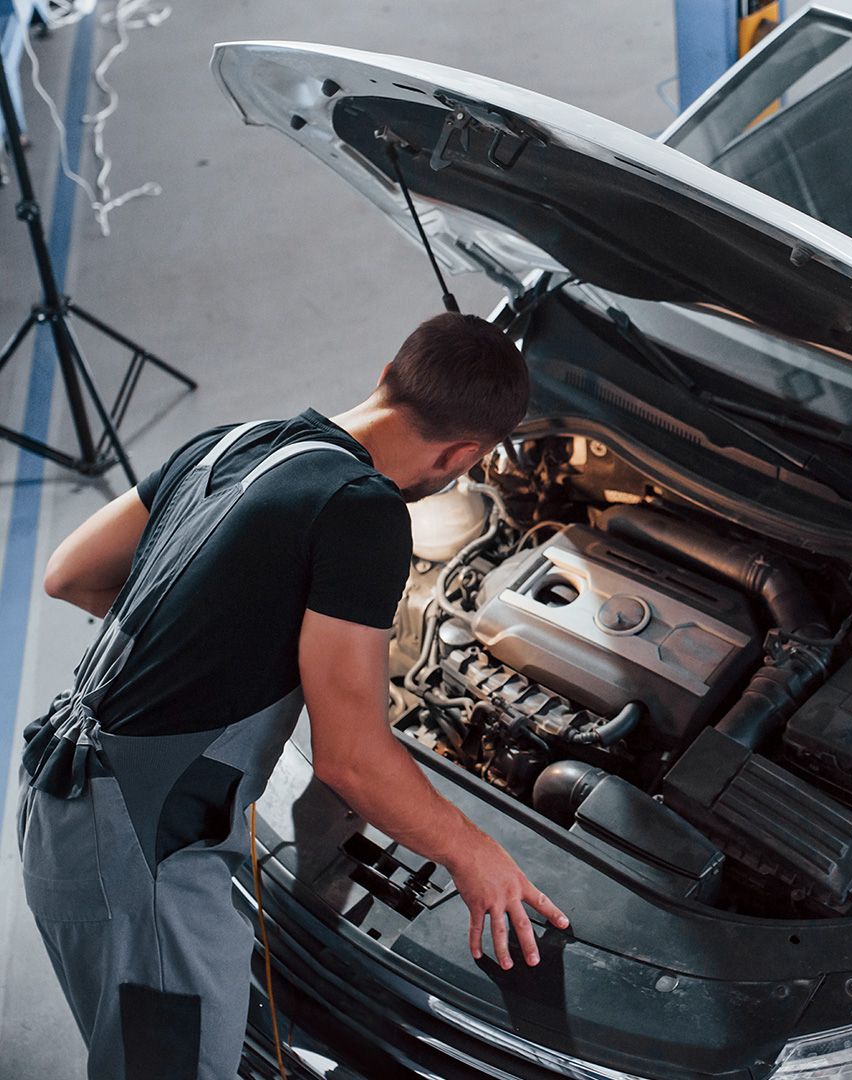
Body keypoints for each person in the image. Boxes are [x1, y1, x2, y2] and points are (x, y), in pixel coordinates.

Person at [16, 310, 570, 1080]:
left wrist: (216, 634)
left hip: (67, 799)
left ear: (388, 374)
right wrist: (473, 854)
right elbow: (352, 760)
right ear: (462, 455)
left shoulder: (229, 440)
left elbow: (69, 572)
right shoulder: (361, 511)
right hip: (142, 854)